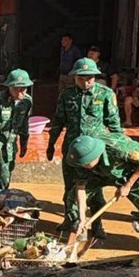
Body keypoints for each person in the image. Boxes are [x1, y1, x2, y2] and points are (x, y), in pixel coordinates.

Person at [47, 57, 123, 236]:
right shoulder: (67, 95)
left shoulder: (105, 94)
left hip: (95, 151)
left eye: (90, 77)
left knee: (94, 191)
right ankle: (71, 220)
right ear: (74, 77)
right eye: (81, 78)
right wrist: (51, 144)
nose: (86, 81)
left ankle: (97, 225)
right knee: (70, 187)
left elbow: (115, 126)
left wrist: (117, 150)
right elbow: (58, 121)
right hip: (72, 150)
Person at [65, 135, 139, 245]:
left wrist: (128, 185)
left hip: (133, 176)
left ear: (96, 154)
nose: (83, 166)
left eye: (86, 164)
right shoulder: (80, 161)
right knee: (71, 199)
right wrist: (82, 217)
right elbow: (80, 188)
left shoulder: (120, 149)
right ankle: (81, 231)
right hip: (100, 175)